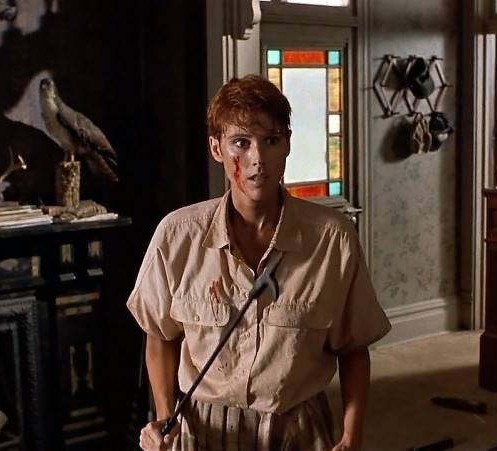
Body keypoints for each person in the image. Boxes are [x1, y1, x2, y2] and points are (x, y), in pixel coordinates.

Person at [128, 74, 391, 451]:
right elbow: (159, 336)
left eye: (271, 141)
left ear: (287, 145)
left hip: (298, 427)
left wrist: (352, 436)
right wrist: (164, 416)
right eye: (241, 142)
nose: (258, 159)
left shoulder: (333, 239)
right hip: (203, 430)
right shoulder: (177, 235)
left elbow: (353, 347)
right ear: (216, 148)